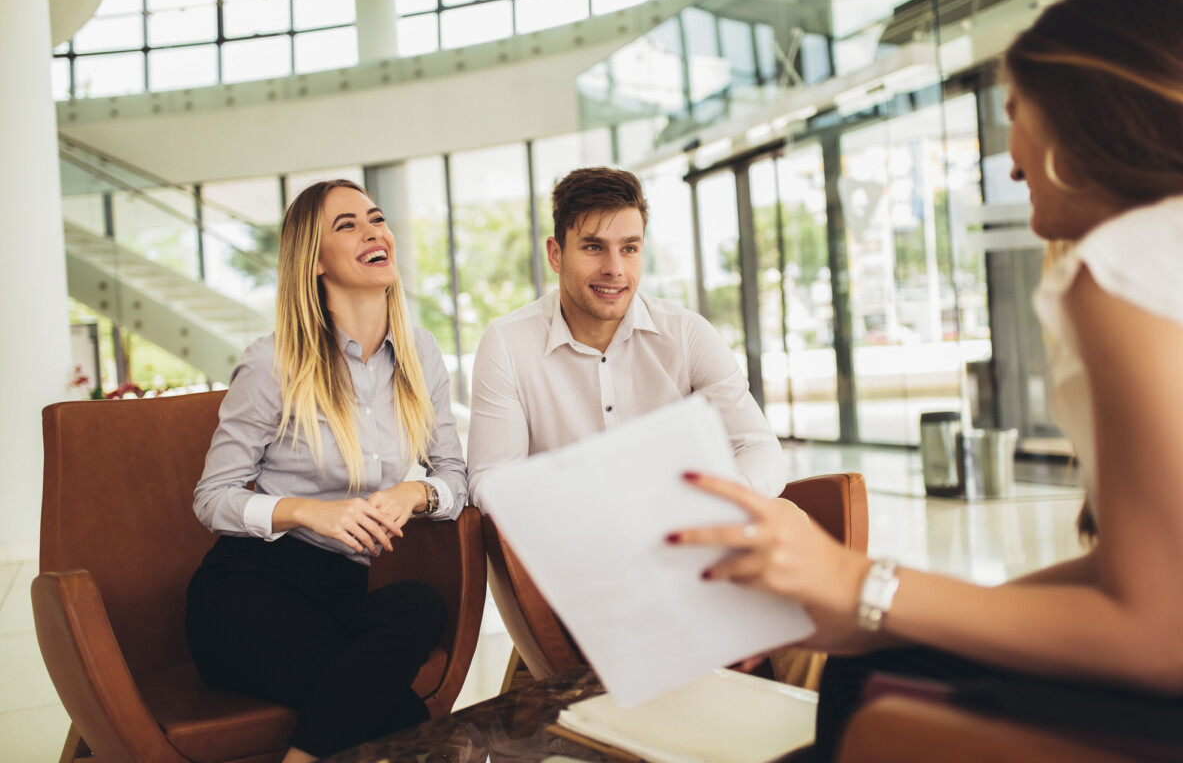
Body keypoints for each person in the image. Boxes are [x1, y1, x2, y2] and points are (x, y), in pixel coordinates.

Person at [669, 0, 1183, 759]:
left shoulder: (1121, 264)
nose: (1011, 162)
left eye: (1013, 113)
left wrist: (860, 585)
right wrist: (883, 611)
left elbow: (1162, 633)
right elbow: (1135, 572)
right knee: (870, 661)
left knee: (854, 700)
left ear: (1076, 119)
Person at [187, 179, 467, 763]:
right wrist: (308, 511)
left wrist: (414, 493)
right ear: (313, 262)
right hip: (248, 591)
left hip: (338, 593)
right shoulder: (274, 362)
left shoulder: (422, 355)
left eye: (376, 218)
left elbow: (455, 480)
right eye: (347, 225)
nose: (373, 231)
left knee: (419, 607)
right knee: (403, 717)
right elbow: (211, 498)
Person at [468, 166, 785, 510]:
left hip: (682, 535)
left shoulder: (687, 333)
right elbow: (491, 482)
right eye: (593, 247)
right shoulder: (507, 345)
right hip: (571, 542)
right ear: (555, 254)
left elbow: (758, 447)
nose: (615, 268)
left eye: (629, 248)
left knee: (788, 518)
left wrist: (712, 502)